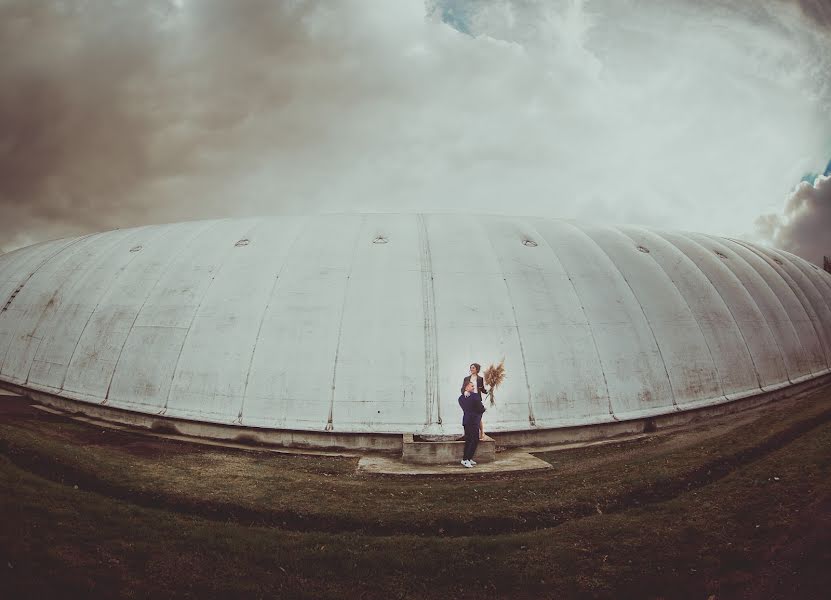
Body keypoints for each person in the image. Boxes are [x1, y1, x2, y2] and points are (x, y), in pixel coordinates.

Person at [458, 380, 486, 468]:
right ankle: (465, 459)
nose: (474, 388)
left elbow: (468, 407)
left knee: (470, 440)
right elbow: (480, 409)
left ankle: (468, 459)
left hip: (467, 421)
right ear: (466, 387)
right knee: (473, 440)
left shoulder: (460, 398)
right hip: (473, 421)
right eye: (472, 386)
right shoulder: (475, 396)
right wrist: (484, 408)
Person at [461, 363, 487, 440]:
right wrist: (464, 392)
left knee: (478, 417)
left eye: (473, 368)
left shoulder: (480, 379)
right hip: (468, 399)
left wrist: (488, 391)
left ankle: (482, 433)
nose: (471, 369)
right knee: (467, 415)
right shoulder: (466, 378)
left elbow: (482, 389)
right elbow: (463, 388)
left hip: (477, 399)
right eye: (471, 368)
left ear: (477, 369)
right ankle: (466, 434)